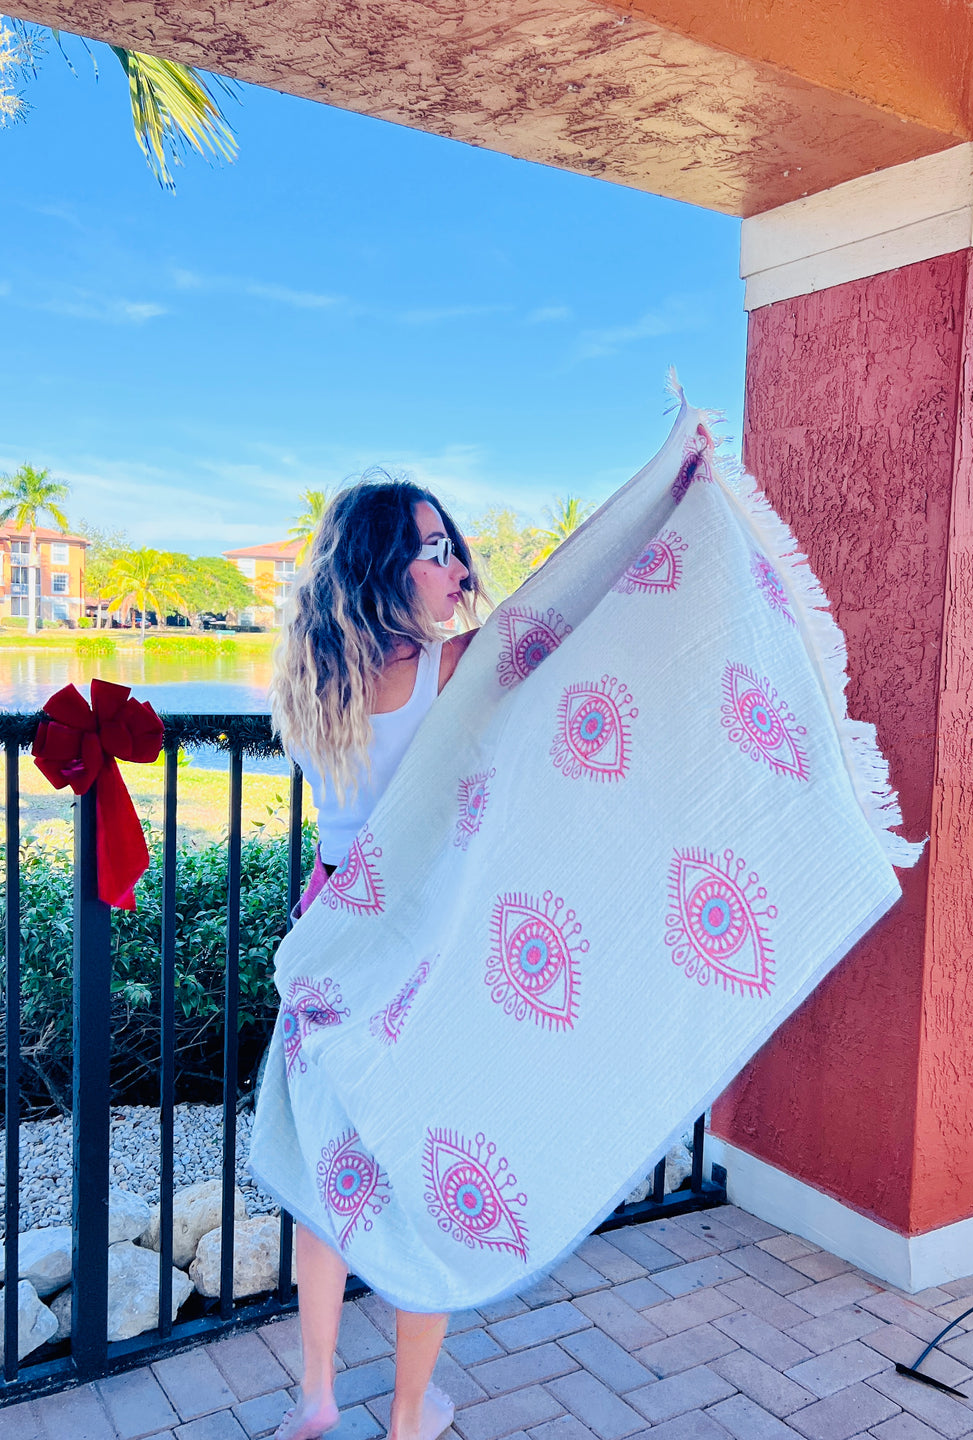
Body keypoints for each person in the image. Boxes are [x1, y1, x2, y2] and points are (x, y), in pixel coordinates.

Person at [268, 474, 485, 1440]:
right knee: (421, 1185)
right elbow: (571, 613)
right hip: (413, 946)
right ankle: (407, 1415)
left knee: (328, 1175)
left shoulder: (311, 675)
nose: (456, 565)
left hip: (326, 928)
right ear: (383, 565)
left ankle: (315, 1396)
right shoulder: (447, 666)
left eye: (452, 546)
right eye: (432, 549)